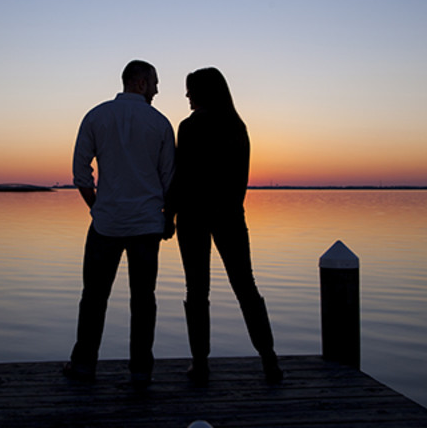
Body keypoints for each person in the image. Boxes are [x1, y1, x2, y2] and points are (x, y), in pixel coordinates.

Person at [166, 66, 282, 385]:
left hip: (193, 217)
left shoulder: (189, 127)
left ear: (203, 91)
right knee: (246, 286)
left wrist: (168, 216)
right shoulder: (237, 126)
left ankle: (200, 364)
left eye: (190, 89)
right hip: (230, 216)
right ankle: (269, 359)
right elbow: (239, 179)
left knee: (197, 289)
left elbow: (181, 177)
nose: (187, 95)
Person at [64, 59, 176, 388]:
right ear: (140, 83)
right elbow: (170, 180)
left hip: (106, 225)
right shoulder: (160, 123)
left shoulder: (96, 116)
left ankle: (84, 364)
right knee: (144, 299)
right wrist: (168, 219)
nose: (157, 89)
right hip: (146, 226)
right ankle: (140, 370)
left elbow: (81, 174)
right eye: (154, 83)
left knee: (94, 297)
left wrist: (97, 208)